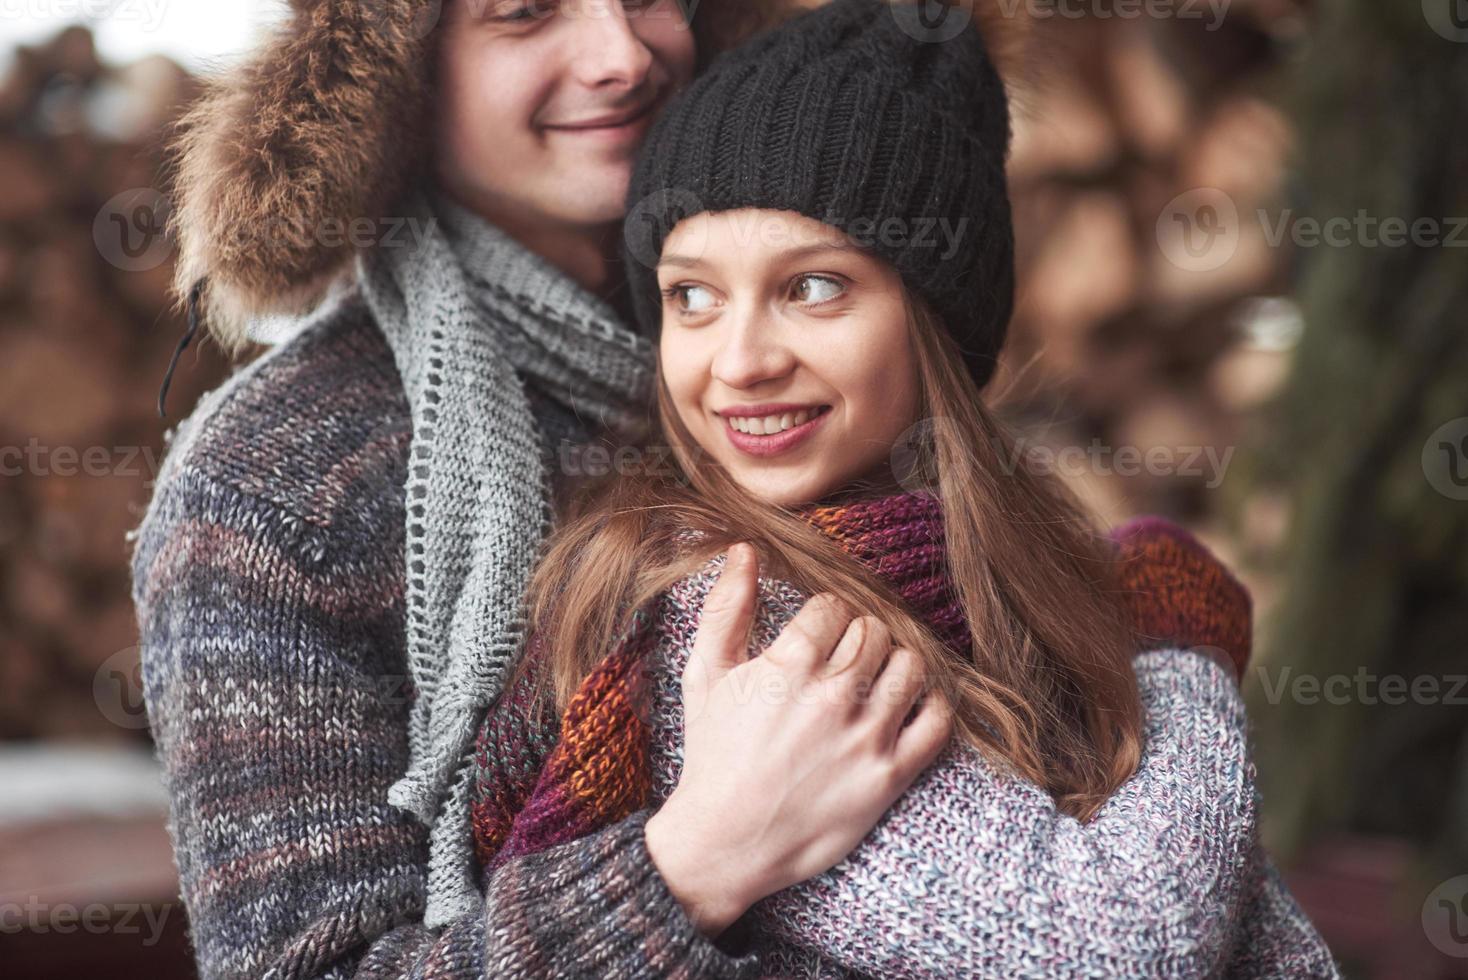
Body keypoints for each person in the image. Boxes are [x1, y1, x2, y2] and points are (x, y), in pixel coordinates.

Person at [129, 1, 1288, 978]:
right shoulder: (276, 483)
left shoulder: (823, 397)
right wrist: (687, 864)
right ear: (401, 63)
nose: (624, 52)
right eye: (526, 7)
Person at [466, 0, 1343, 976]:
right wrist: (1175, 642)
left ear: (933, 317)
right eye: (692, 295)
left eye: (812, 286)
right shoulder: (738, 618)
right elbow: (1116, 945)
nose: (740, 360)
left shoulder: (1000, 575)